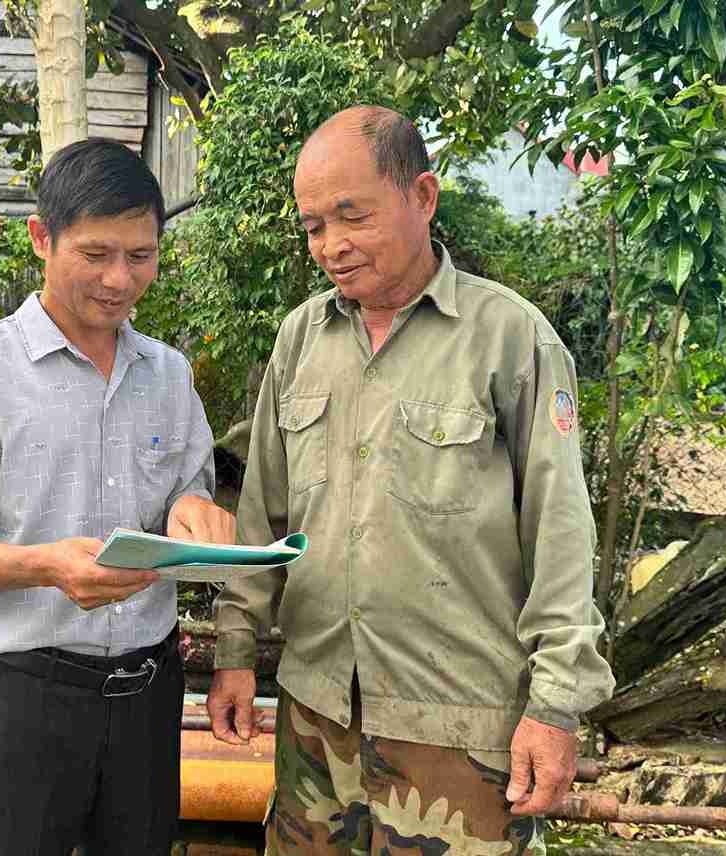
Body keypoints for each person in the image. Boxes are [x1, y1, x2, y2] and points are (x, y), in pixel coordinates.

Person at [206, 106, 616, 855]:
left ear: (423, 196)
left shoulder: (511, 339)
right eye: (312, 227)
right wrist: (234, 649)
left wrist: (556, 705)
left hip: (458, 729)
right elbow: (261, 517)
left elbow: (560, 535)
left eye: (351, 216)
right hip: (315, 721)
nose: (331, 245)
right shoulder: (301, 338)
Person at [0, 138, 236, 856]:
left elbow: (187, 486)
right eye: (96, 254)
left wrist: (192, 513)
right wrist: (48, 565)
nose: (120, 279)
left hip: (148, 696)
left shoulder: (167, 375)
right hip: (24, 699)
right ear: (41, 238)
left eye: (141, 256)